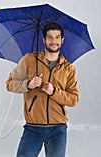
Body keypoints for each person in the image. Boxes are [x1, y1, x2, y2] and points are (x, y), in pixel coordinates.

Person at [6, 22, 79, 157]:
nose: (54, 41)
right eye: (50, 37)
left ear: (62, 40)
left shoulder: (69, 69)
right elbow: (10, 84)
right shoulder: (29, 60)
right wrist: (28, 85)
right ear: (44, 39)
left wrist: (54, 92)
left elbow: (73, 99)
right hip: (33, 127)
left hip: (58, 129)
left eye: (57, 37)